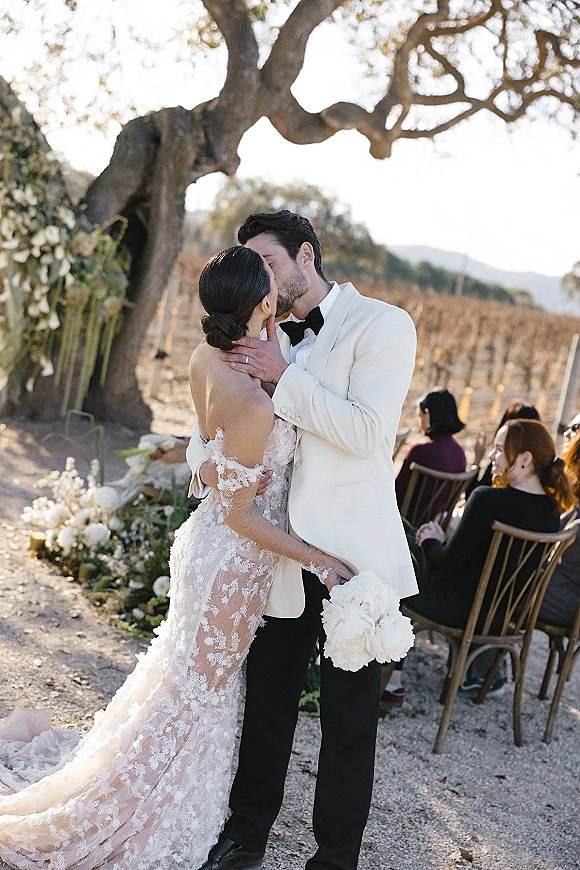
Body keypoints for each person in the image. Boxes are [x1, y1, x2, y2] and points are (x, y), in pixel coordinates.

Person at [0, 246, 353, 868]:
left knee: (181, 686)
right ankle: (147, 810)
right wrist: (319, 557)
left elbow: (212, 463)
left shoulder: (202, 360)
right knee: (199, 697)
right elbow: (245, 512)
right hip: (237, 561)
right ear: (264, 304)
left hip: (207, 544)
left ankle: (150, 788)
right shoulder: (256, 402)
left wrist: (266, 343)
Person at [188, 210, 417, 870]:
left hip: (353, 559)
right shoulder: (256, 329)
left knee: (350, 727)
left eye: (269, 263)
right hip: (276, 554)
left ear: (306, 256)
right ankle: (245, 838)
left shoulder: (381, 325)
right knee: (267, 706)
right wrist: (200, 462)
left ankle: (334, 859)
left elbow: (368, 434)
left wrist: (285, 374)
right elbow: (210, 430)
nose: (261, 276)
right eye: (252, 266)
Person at [392, 419, 574, 700]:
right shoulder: (552, 512)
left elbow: (448, 563)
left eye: (500, 450)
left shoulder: (487, 500)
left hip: (454, 609)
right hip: (500, 619)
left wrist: (431, 539)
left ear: (525, 459)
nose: (491, 456)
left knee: (397, 554)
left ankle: (390, 678)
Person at [538, 412, 580, 627]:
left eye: (575, 428)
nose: (567, 434)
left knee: (498, 583)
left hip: (566, 599)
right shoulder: (567, 483)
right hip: (556, 587)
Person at [394, 386, 466, 508]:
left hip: (407, 522)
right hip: (436, 524)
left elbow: (396, 493)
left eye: (420, 415)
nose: (420, 420)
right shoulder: (460, 453)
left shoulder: (419, 451)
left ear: (427, 414)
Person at [464, 401, 540, 499]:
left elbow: (472, 496)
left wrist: (477, 461)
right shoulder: (542, 467)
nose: (491, 456)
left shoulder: (502, 463)